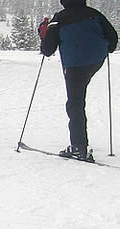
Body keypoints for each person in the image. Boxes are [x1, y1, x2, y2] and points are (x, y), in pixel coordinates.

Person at [40, 0, 117, 161]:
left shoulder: (58, 19)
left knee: (75, 103)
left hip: (75, 66)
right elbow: (113, 39)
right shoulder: (95, 13)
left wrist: (43, 33)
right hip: (96, 60)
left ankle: (78, 148)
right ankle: (79, 145)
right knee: (78, 96)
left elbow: (47, 50)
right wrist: (104, 48)